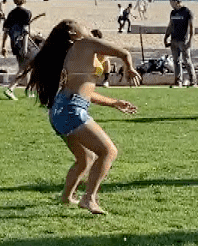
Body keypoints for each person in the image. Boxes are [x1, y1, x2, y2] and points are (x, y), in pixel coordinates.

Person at [27, 20, 141, 215]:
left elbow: (83, 93)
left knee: (85, 158)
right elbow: (124, 52)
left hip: (59, 110)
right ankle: (88, 199)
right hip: (71, 109)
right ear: (73, 33)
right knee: (108, 151)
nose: (87, 28)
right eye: (82, 26)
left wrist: (113, 102)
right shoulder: (86, 43)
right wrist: (129, 67)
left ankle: (66, 198)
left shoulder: (71, 52)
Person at [1, 0, 44, 99]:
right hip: (24, 43)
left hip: (13, 43)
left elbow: (6, 31)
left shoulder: (11, 13)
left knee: (26, 66)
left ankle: (29, 90)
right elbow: (25, 32)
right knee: (26, 67)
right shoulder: (26, 13)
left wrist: (4, 46)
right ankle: (11, 88)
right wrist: (25, 47)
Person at [163, 0, 196, 87]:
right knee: (176, 61)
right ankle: (178, 81)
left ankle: (193, 80)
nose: (170, 4)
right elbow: (170, 25)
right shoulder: (173, 13)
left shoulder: (187, 11)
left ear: (176, 1)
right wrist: (166, 37)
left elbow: (191, 26)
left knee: (187, 60)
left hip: (183, 40)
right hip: (174, 39)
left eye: (171, 2)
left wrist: (190, 40)